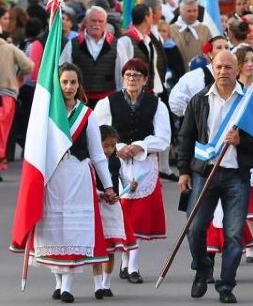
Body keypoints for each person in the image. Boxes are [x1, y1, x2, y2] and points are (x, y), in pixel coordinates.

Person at [11, 63, 118, 303]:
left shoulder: (87, 115)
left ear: (79, 85)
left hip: (78, 176)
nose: (69, 87)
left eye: (73, 82)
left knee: (72, 232)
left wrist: (109, 186)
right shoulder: (46, 114)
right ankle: (59, 283)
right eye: (64, 82)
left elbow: (98, 154)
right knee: (54, 232)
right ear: (57, 85)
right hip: (52, 178)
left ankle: (68, 286)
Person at [178, 50, 253, 303]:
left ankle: (226, 285)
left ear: (237, 69)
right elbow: (185, 138)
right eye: (218, 67)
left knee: (234, 235)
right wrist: (184, 170)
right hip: (204, 174)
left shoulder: (249, 101)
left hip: (236, 176)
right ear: (212, 68)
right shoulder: (200, 100)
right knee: (194, 229)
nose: (223, 72)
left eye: (228, 67)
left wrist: (242, 141)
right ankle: (203, 268)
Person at [93, 59, 171, 284]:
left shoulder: (156, 104)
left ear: (145, 79)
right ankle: (125, 264)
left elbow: (164, 138)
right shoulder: (108, 103)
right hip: (114, 165)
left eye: (137, 75)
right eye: (128, 75)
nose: (132, 79)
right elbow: (99, 133)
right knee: (122, 214)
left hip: (145, 166)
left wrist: (141, 146)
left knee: (139, 218)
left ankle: (133, 266)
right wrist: (118, 148)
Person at [91, 125, 139, 299]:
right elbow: (87, 184)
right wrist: (101, 194)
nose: (109, 150)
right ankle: (97, 284)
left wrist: (130, 187)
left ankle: (106, 284)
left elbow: (123, 181)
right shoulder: (90, 162)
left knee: (110, 248)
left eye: (113, 146)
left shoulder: (115, 161)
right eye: (106, 146)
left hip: (112, 208)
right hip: (97, 205)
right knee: (98, 248)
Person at [60, 6, 128, 108]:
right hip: (80, 101)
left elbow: (123, 74)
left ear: (105, 23)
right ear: (86, 22)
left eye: (100, 21)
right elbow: (62, 71)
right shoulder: (73, 44)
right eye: (93, 21)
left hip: (108, 101)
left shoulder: (117, 44)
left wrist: (122, 99)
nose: (97, 24)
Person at [168, 36, 231, 117]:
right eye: (219, 47)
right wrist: (193, 117)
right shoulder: (195, 76)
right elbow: (175, 101)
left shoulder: (235, 73)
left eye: (227, 47)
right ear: (209, 54)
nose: (224, 50)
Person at [0, 37, 33, 177]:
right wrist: (18, 76)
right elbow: (29, 66)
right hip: (6, 95)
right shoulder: (9, 48)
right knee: (2, 132)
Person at [117, 4, 167, 94]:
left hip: (149, 92)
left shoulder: (148, 39)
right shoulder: (126, 40)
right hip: (133, 94)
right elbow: (121, 69)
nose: (153, 18)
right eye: (151, 15)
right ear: (146, 18)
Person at [169, 0, 212, 72]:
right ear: (180, 11)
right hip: (177, 73)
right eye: (189, 11)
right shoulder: (170, 30)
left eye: (194, 11)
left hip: (200, 73)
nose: (192, 14)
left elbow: (210, 51)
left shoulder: (205, 30)